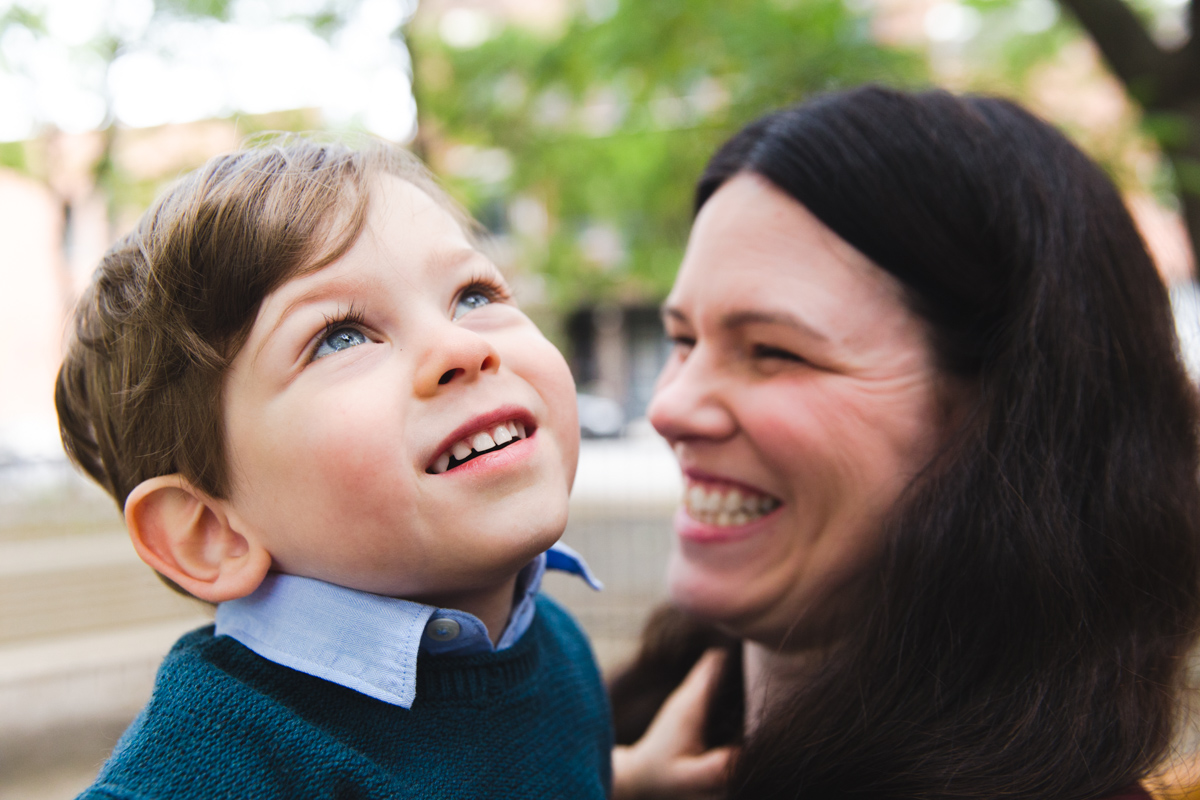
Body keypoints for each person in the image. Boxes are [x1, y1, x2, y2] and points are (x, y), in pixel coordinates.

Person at [610, 86, 1200, 800]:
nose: (670, 407)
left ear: (1002, 418)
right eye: (682, 339)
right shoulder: (598, 738)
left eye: (773, 350)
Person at [55, 137, 612, 799]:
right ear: (209, 532)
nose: (461, 346)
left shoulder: (558, 649)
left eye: (472, 294)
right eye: (340, 336)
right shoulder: (206, 772)